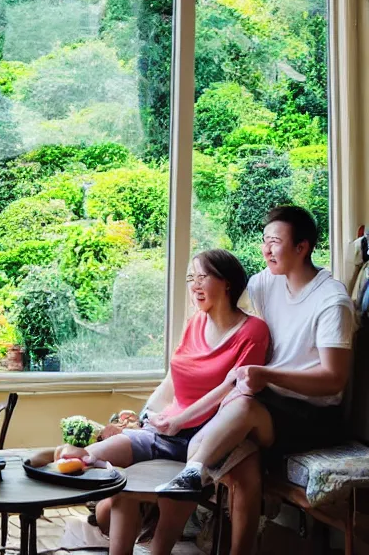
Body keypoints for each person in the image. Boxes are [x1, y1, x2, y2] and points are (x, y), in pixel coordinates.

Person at [157, 205, 355, 554]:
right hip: (272, 404)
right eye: (264, 241)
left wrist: (265, 374)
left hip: (314, 415)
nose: (266, 250)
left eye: (274, 242)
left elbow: (333, 380)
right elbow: (227, 313)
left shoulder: (331, 301)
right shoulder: (266, 283)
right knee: (243, 461)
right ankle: (193, 490)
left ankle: (194, 472)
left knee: (242, 403)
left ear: (302, 247)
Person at [58, 250, 269, 555]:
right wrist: (147, 414)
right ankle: (107, 527)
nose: (194, 285)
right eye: (190, 278)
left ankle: (153, 542)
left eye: (202, 277)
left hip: (203, 438)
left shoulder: (252, 331)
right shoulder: (196, 323)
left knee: (174, 497)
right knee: (89, 460)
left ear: (226, 283)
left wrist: (180, 422)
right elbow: (174, 377)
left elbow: (234, 389)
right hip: (162, 431)